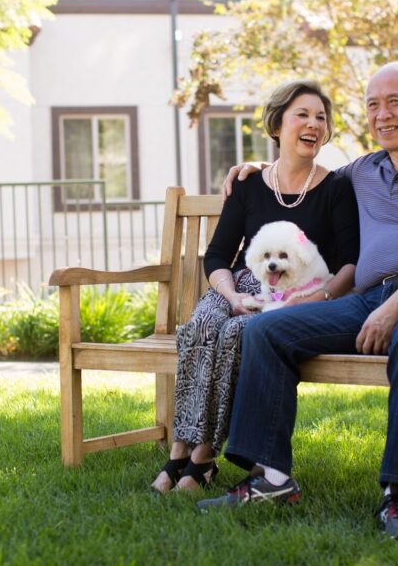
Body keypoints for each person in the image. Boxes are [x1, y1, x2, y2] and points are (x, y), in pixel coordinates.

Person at [196, 62, 398, 539]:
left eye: (395, 102)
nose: (382, 115)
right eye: (373, 105)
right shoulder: (362, 170)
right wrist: (255, 169)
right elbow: (298, 169)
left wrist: (393, 307)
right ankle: (270, 477)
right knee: (267, 329)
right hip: (370, 300)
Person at [151, 80, 360, 493]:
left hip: (301, 294)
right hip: (243, 284)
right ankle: (180, 448)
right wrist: (230, 295)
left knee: (237, 333)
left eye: (321, 117)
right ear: (277, 123)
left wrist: (314, 300)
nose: (313, 124)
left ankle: (203, 455)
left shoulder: (337, 188)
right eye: (303, 114)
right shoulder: (247, 183)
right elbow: (217, 256)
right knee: (203, 324)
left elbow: (350, 263)